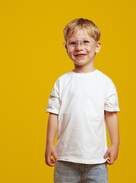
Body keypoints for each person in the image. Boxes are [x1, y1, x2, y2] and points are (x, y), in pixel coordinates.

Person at [45, 18, 120, 183]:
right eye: (73, 43)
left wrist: (115, 143)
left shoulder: (105, 82)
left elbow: (111, 114)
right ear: (66, 48)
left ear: (97, 46)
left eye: (85, 42)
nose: (79, 47)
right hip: (64, 160)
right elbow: (53, 114)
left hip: (97, 161)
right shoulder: (62, 82)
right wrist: (50, 143)